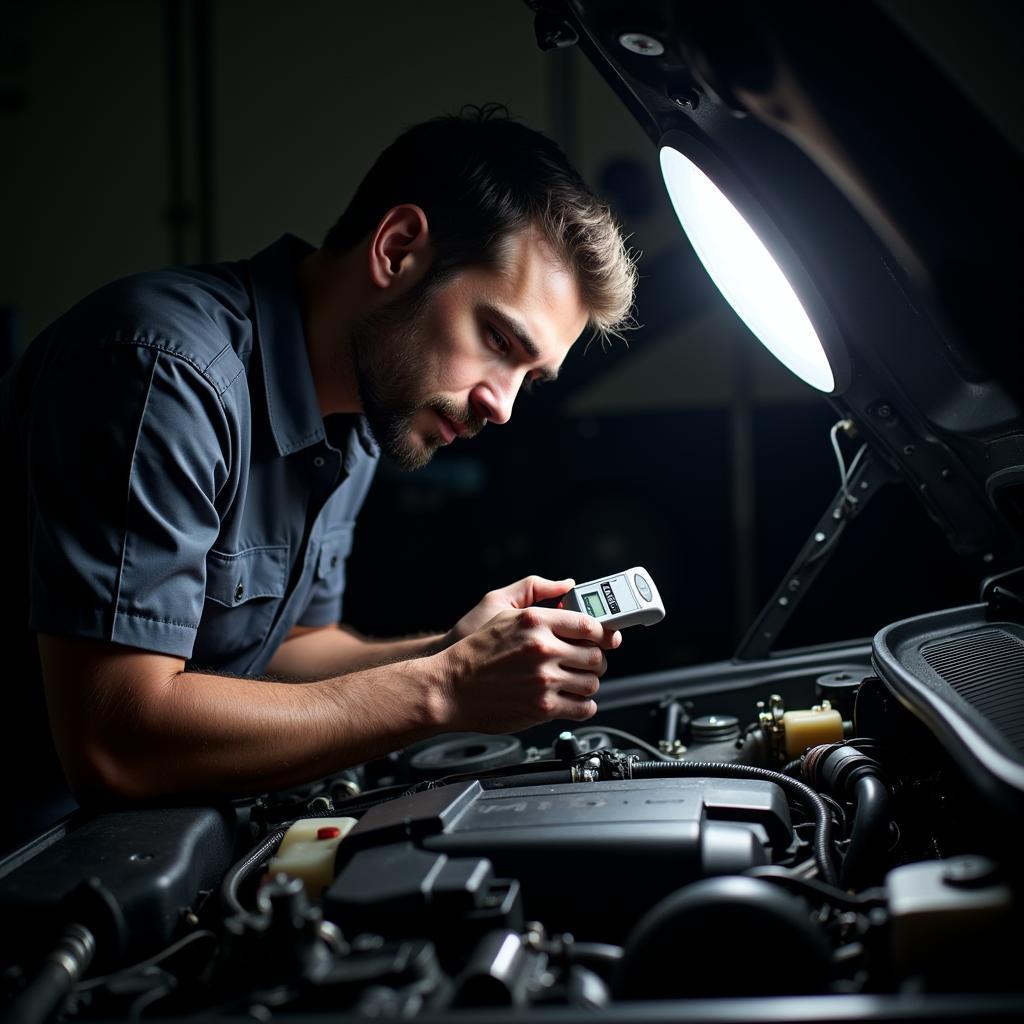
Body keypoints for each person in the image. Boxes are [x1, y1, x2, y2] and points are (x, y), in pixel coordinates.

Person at [0, 107, 637, 850]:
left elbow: (289, 652)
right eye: (497, 339)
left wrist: (456, 650)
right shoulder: (159, 372)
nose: (500, 406)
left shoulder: (365, 413)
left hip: (150, 841)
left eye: (530, 378)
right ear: (398, 249)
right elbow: (114, 739)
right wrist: (444, 689)